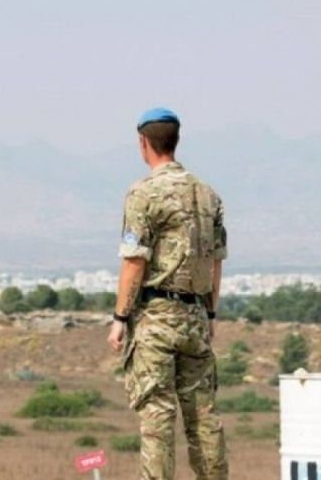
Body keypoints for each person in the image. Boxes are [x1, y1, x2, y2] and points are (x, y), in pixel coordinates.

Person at [107, 107, 229, 480]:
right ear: (176, 140)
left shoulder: (143, 193)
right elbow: (215, 262)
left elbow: (134, 261)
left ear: (143, 143)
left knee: (157, 417)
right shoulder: (208, 195)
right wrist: (210, 313)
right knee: (203, 416)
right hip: (196, 317)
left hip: (156, 319)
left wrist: (120, 317)